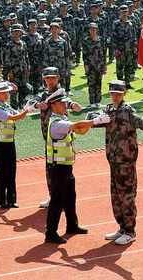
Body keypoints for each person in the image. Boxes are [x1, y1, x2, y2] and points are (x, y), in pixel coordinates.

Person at [88, 80, 143, 245]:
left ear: (124, 94)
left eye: (118, 93)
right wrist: (92, 119)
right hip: (113, 160)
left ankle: (130, 231)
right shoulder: (108, 110)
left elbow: (140, 121)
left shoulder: (127, 112)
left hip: (126, 162)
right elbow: (94, 120)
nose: (115, 96)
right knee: (115, 196)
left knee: (127, 196)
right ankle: (122, 227)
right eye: (113, 93)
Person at [44, 92, 96, 244]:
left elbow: (80, 130)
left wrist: (90, 122)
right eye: (62, 103)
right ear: (53, 105)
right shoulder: (56, 123)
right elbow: (76, 126)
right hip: (58, 167)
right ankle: (50, 232)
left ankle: (72, 225)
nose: (65, 105)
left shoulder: (63, 119)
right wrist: (94, 120)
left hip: (66, 166)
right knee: (57, 200)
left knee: (70, 197)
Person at [34, 67, 83, 209]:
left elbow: (68, 102)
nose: (50, 80)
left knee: (64, 171)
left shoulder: (61, 93)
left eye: (53, 78)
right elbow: (30, 104)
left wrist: (73, 105)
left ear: (58, 78)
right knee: (50, 170)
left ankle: (64, 199)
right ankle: (54, 197)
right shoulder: (42, 94)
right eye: (48, 78)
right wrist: (37, 104)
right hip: (49, 139)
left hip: (62, 139)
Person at [0, 81, 30, 208]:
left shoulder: (5, 106)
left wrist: (26, 109)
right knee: (2, 173)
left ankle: (11, 200)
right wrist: (26, 111)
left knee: (12, 171)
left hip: (9, 143)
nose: (7, 94)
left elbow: (17, 114)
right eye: (5, 92)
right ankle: (0, 201)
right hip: (0, 144)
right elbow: (14, 118)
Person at [82, 22, 106, 108]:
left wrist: (104, 66)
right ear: (89, 30)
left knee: (99, 83)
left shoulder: (100, 39)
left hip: (99, 65)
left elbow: (103, 53)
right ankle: (92, 102)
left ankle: (98, 101)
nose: (93, 30)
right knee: (91, 84)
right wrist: (86, 66)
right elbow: (84, 55)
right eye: (91, 29)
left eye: (95, 29)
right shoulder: (85, 41)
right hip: (90, 66)